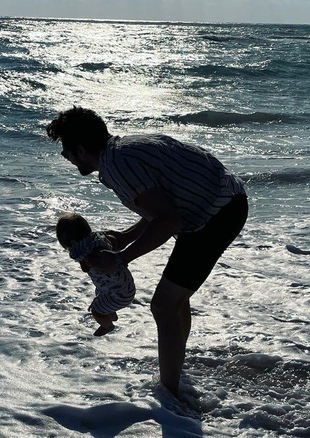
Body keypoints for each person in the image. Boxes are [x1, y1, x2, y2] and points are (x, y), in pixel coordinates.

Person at [47, 106, 248, 397]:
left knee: (163, 305)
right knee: (175, 300)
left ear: (80, 148)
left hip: (216, 214)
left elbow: (170, 220)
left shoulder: (118, 166)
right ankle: (175, 370)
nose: (65, 157)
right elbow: (162, 206)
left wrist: (119, 259)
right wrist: (126, 238)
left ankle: (170, 394)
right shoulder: (120, 152)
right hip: (218, 205)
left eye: (66, 150)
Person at [56, 212, 137, 336]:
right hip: (126, 286)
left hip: (119, 294)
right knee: (98, 293)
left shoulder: (80, 250)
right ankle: (110, 312)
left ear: (71, 242)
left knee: (96, 311)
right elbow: (112, 240)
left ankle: (108, 325)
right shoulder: (98, 238)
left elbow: (84, 266)